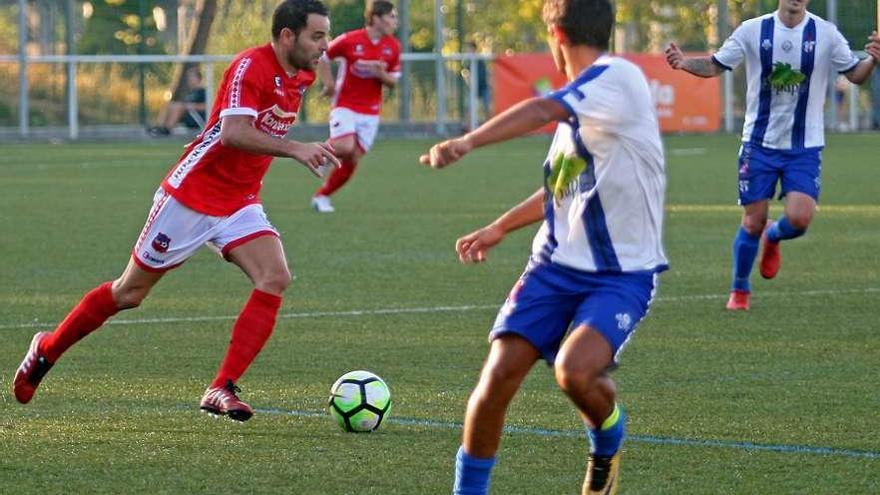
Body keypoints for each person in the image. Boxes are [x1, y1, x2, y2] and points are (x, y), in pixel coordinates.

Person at [12, 0, 339, 422]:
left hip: (239, 201)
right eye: (317, 36)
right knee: (129, 293)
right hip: (192, 196)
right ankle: (47, 348)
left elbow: (299, 89)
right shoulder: (249, 67)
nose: (324, 46)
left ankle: (221, 386)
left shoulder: (305, 73)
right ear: (287, 36)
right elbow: (233, 133)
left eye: (327, 36)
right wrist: (295, 148)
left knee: (275, 276)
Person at [420, 1, 667, 493]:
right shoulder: (580, 108)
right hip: (552, 269)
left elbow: (539, 107)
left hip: (621, 275)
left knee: (574, 371)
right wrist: (499, 227)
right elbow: (560, 189)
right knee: (495, 381)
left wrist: (467, 142)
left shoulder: (617, 76)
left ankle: (608, 439)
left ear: (555, 32)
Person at [665, 0, 880, 311]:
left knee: (800, 218)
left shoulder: (826, 34)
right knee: (752, 221)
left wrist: (873, 61)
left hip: (804, 145)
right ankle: (740, 290)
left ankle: (774, 235)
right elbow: (715, 64)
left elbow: (855, 74)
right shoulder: (753, 30)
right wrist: (684, 63)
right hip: (758, 143)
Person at [310, 0, 401, 213]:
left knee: (353, 158)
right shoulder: (351, 40)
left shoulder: (393, 46)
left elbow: (394, 81)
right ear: (376, 18)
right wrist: (329, 83)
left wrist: (381, 74)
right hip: (345, 104)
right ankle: (321, 153)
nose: (395, 21)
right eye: (391, 16)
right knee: (344, 147)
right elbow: (323, 55)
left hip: (370, 112)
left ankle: (322, 197)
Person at [148, 66, 208, 137]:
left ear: (198, 79)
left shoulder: (203, 92)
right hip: (187, 116)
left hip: (197, 118)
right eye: (188, 78)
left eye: (191, 78)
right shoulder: (190, 92)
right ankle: (160, 127)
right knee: (171, 104)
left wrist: (190, 106)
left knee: (178, 106)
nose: (189, 80)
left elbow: (207, 106)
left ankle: (167, 129)